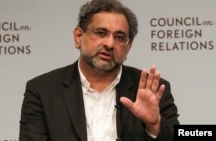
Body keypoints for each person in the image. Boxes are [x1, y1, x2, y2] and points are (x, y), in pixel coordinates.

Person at [19, 0, 179, 141]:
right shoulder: (43, 90)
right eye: (101, 33)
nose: (109, 44)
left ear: (129, 47)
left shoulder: (152, 90)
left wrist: (155, 126)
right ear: (78, 36)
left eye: (119, 37)